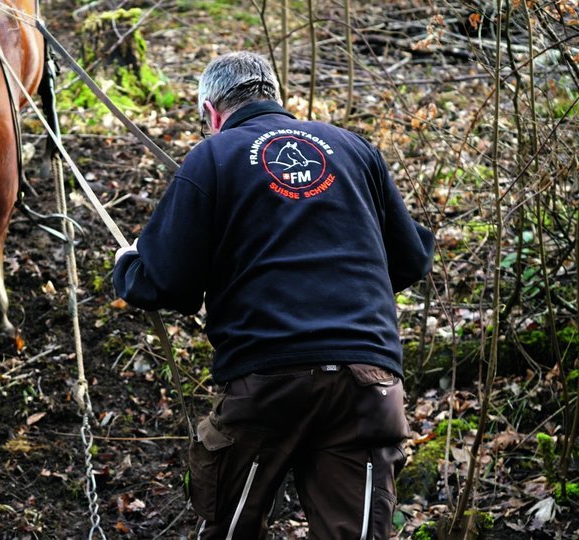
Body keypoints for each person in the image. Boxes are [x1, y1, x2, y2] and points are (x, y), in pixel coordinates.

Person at [112, 51, 434, 539]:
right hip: (369, 385)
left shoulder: (213, 157)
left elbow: (165, 283)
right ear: (277, 97)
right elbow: (411, 259)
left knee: (228, 527)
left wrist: (128, 266)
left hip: (268, 382)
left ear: (210, 112)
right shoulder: (354, 149)